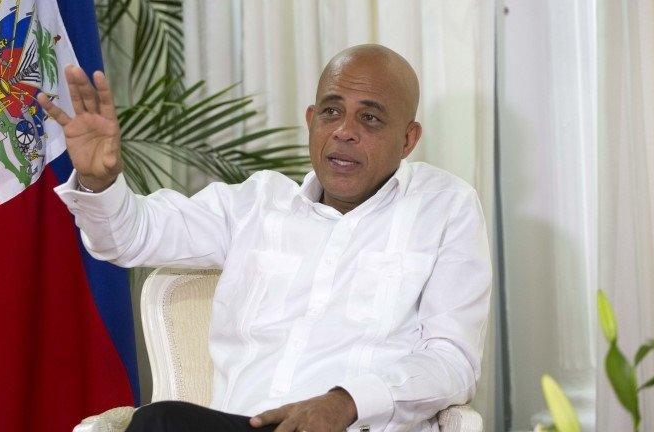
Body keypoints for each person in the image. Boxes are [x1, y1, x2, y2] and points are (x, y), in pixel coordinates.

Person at [39, 44, 492, 432]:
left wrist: (346, 402)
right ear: (312, 120)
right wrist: (100, 181)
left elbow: (452, 360)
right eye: (331, 111)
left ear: (408, 138)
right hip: (243, 423)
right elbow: (131, 236)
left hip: (356, 425)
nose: (344, 131)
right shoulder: (255, 205)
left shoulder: (444, 207)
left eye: (370, 118)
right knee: (160, 423)